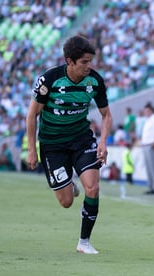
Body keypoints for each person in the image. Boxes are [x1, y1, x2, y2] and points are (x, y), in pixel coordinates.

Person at [25, 35, 113, 254]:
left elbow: (106, 115)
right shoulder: (50, 79)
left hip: (81, 139)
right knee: (66, 202)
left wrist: (103, 141)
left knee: (92, 187)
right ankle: (69, 185)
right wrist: (30, 149)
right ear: (69, 61)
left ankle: (84, 242)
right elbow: (32, 114)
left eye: (90, 61)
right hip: (52, 145)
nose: (88, 66)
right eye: (84, 62)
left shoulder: (94, 81)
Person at [141, 102, 154, 195]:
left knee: (152, 166)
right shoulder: (147, 120)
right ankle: (150, 186)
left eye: (147, 110)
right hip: (146, 144)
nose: (146, 112)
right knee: (148, 167)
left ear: (151, 110)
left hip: (151, 145)